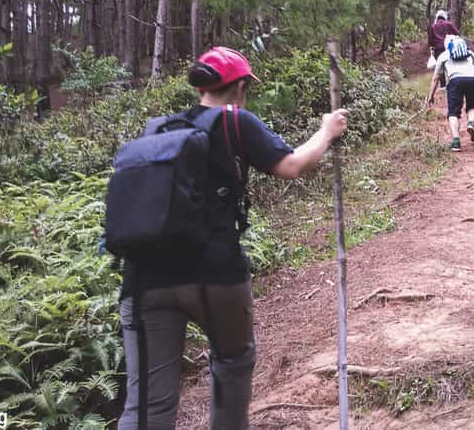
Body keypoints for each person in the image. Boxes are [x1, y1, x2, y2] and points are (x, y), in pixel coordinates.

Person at [117, 47, 349, 430]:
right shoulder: (235, 120)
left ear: (201, 89)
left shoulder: (158, 128)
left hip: (145, 278)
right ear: (239, 86)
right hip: (216, 275)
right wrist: (327, 131)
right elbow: (291, 165)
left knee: (146, 407)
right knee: (231, 365)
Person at [425, 35, 474, 152]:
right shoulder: (469, 53)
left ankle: (456, 142)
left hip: (455, 81)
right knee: (473, 106)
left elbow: (436, 78)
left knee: (453, 113)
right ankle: (471, 123)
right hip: (473, 79)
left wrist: (431, 96)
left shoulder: (444, 55)